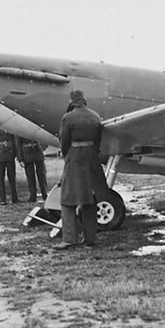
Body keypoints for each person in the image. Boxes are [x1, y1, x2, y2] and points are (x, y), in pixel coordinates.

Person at [54, 89, 108, 250]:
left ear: (72, 101)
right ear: (84, 100)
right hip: (92, 159)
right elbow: (98, 141)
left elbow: (64, 142)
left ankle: (69, 239)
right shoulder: (95, 116)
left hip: (75, 159)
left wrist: (68, 156)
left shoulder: (68, 118)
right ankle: (90, 239)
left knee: (67, 200)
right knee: (89, 200)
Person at [16, 136, 48, 202]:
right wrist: (20, 159)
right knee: (30, 177)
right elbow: (18, 145)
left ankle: (45, 194)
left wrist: (42, 149)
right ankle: (33, 195)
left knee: (42, 175)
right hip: (27, 153)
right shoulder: (20, 129)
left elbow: (45, 139)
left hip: (38, 151)